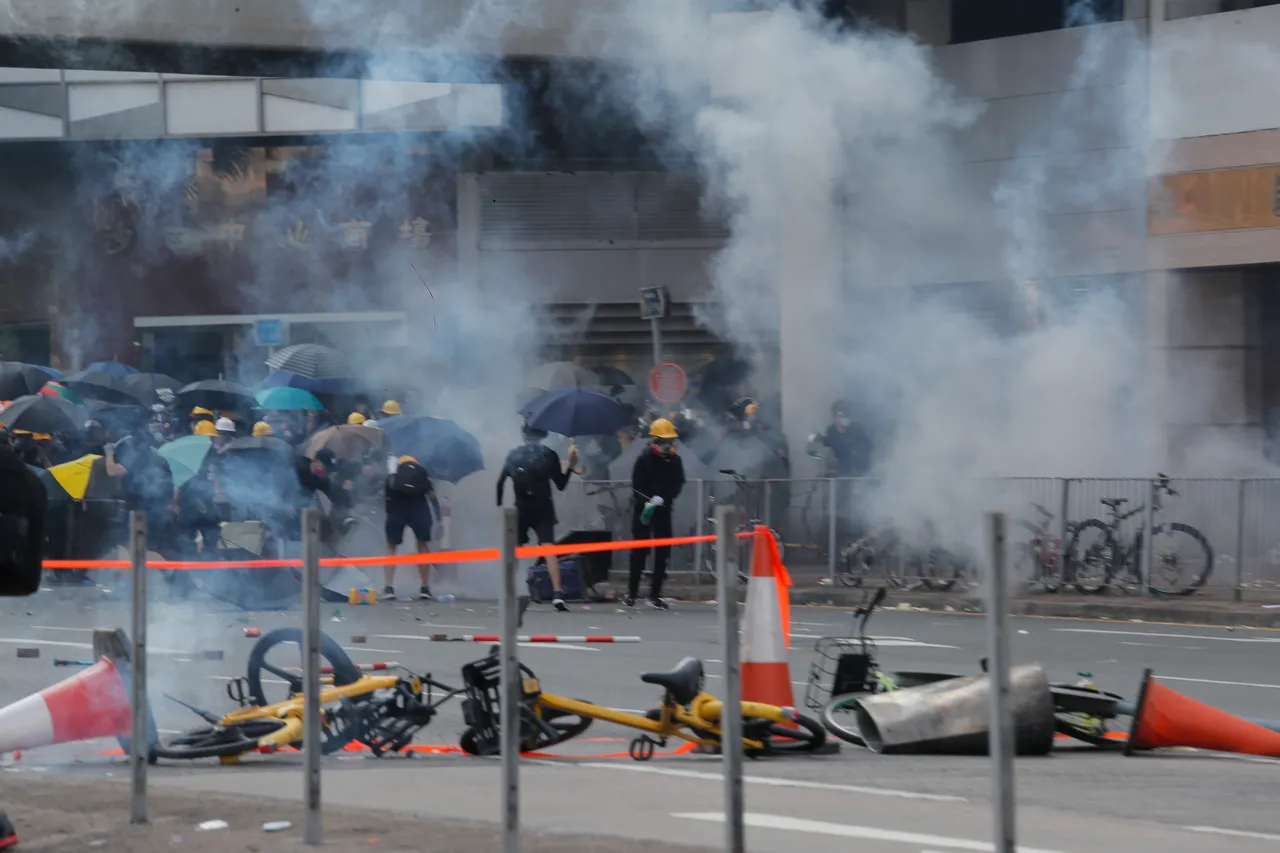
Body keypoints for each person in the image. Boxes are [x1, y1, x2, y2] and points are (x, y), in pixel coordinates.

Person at [496, 422, 578, 615]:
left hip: (521, 508)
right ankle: (558, 594)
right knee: (549, 549)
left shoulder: (514, 455)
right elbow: (561, 485)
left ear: (524, 436)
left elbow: (500, 483)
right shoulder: (549, 454)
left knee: (513, 550)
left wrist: (499, 508)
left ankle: (508, 590)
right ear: (542, 436)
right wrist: (571, 467)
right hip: (543, 508)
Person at [627, 418, 686, 609]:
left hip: (664, 509)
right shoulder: (643, 459)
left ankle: (655, 595)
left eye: (669, 441)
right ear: (654, 440)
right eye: (663, 441)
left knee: (662, 553)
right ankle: (632, 593)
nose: (666, 445)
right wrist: (647, 500)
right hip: (643, 510)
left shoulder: (675, 461)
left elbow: (678, 483)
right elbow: (636, 486)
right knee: (639, 552)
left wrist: (664, 498)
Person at [383, 454, 441, 601]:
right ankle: (425, 588)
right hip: (419, 511)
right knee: (422, 546)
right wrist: (438, 518)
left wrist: (391, 517)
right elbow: (433, 497)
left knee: (391, 546)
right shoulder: (423, 477)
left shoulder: (392, 477)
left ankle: (389, 587)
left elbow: (387, 499)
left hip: (397, 511)